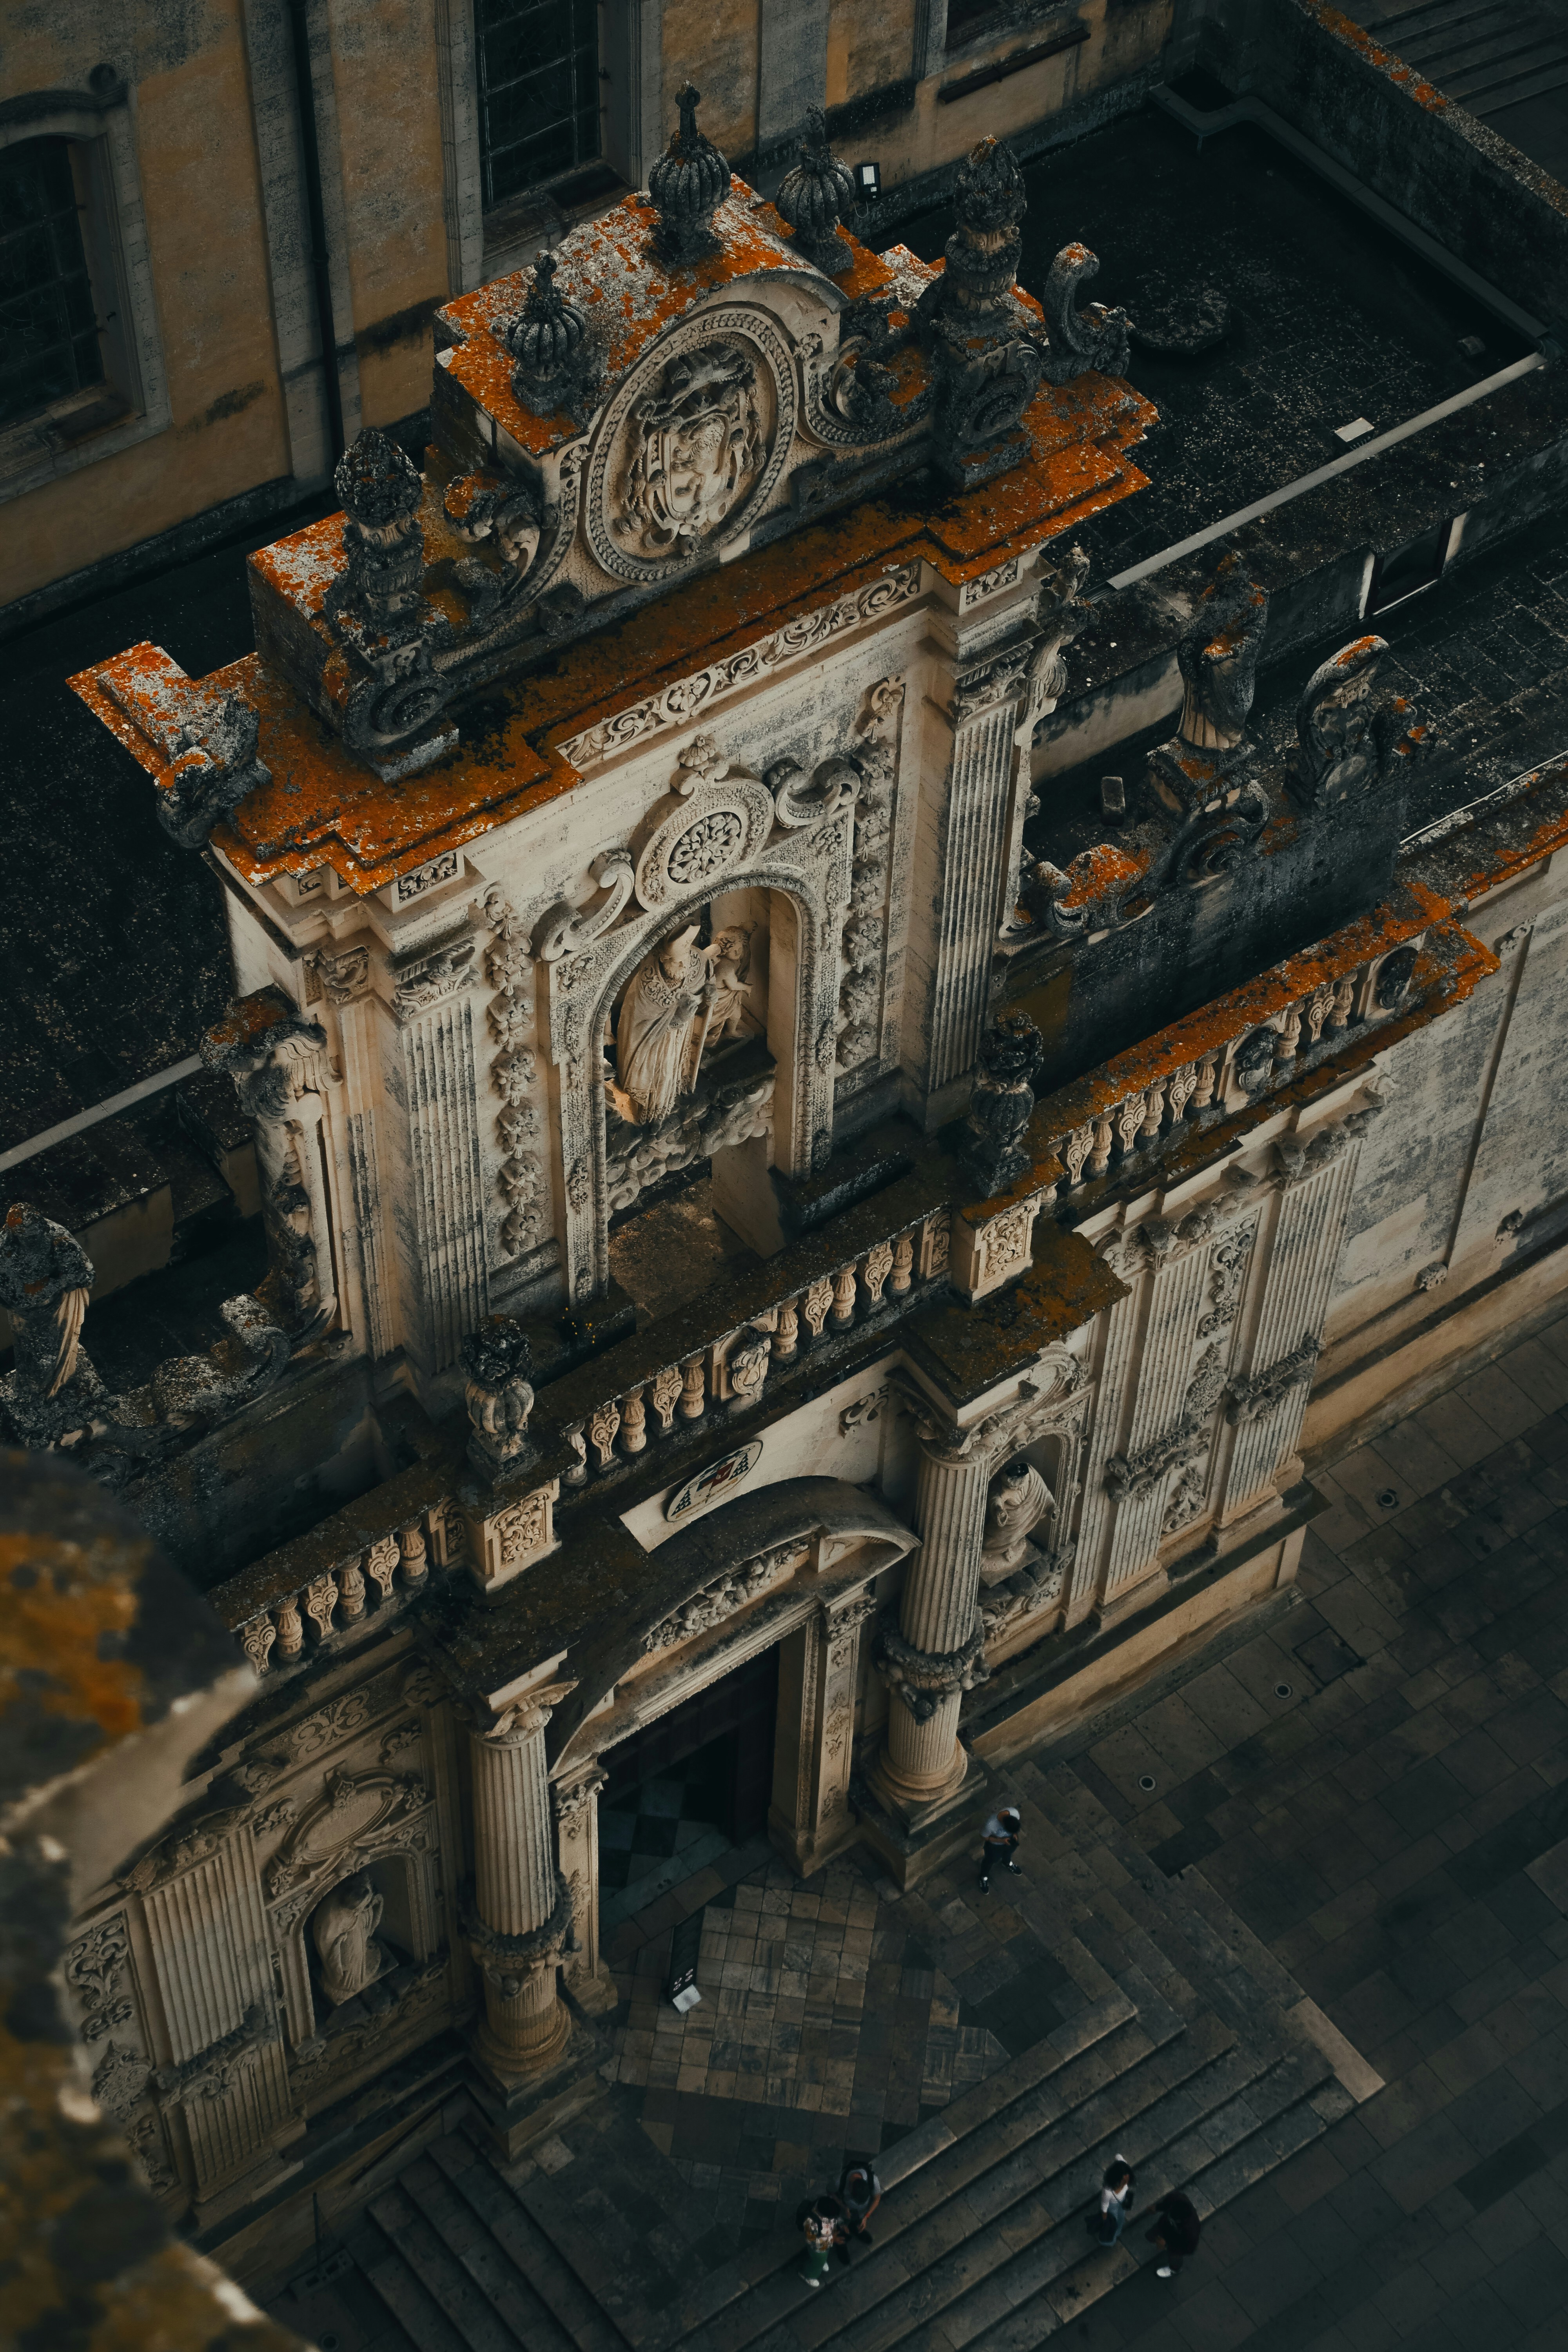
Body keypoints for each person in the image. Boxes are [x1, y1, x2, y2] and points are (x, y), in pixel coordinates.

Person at [1146, 2189, 1201, 2278]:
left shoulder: (1191, 2232)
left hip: (1178, 2242)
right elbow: (1168, 2203)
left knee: (1175, 2256)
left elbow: (1188, 2249)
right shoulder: (1177, 2199)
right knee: (1151, 2236)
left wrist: (1167, 2246)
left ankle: (1175, 2269)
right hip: (1165, 2226)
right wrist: (1157, 2208)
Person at [1086, 2156, 1135, 2246]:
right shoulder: (1108, 2191)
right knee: (1113, 2223)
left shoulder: (1124, 2170)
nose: (1127, 2182)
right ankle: (1110, 2238)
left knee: (1121, 2218)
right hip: (1112, 2207)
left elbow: (1118, 2157)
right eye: (1124, 2180)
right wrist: (1105, 2220)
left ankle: (1118, 2232)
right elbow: (1104, 2206)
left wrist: (1119, 2159)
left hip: (1122, 2203)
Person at [836, 2161, 881, 2256]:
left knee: (857, 2224)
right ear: (850, 2187)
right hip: (841, 2213)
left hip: (859, 2215)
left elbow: (877, 2198)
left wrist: (866, 2216)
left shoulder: (872, 2180)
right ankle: (841, 2243)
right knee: (841, 2230)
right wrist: (844, 2207)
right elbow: (831, 2195)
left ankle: (855, 2229)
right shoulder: (839, 2182)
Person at [797, 2194, 842, 2287]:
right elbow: (811, 2241)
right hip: (817, 2249)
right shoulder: (811, 2223)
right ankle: (808, 2275)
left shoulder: (826, 2205)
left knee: (824, 2256)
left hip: (827, 2243)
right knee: (817, 2263)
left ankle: (822, 2262)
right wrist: (832, 2240)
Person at [979, 1806, 1023, 1891]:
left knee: (1009, 1853)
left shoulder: (1014, 1813)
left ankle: (1007, 1863)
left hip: (1010, 1843)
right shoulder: (990, 1824)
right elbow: (984, 1837)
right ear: (1003, 1825)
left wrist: (1014, 1834)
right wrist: (1001, 1841)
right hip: (994, 1847)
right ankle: (983, 1877)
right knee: (990, 1861)